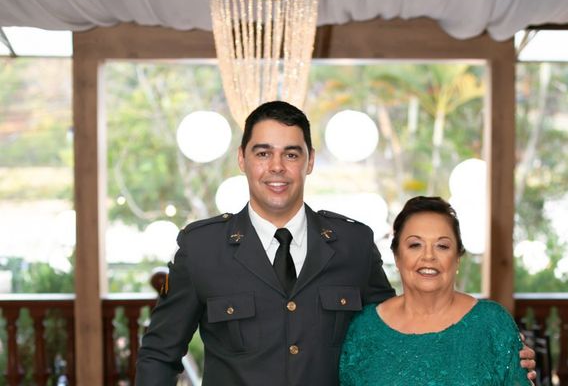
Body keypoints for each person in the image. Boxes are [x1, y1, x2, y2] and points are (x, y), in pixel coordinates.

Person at [136, 101, 535, 385]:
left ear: (309, 161)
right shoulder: (202, 249)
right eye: (263, 153)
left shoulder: (352, 244)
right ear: (242, 159)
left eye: (291, 154)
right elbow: (159, 353)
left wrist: (495, 356)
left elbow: (394, 329)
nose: (277, 167)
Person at [339, 196, 532, 386]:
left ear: (457, 258)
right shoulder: (363, 328)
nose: (429, 256)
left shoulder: (493, 323)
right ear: (397, 256)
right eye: (415, 245)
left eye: (442, 246)